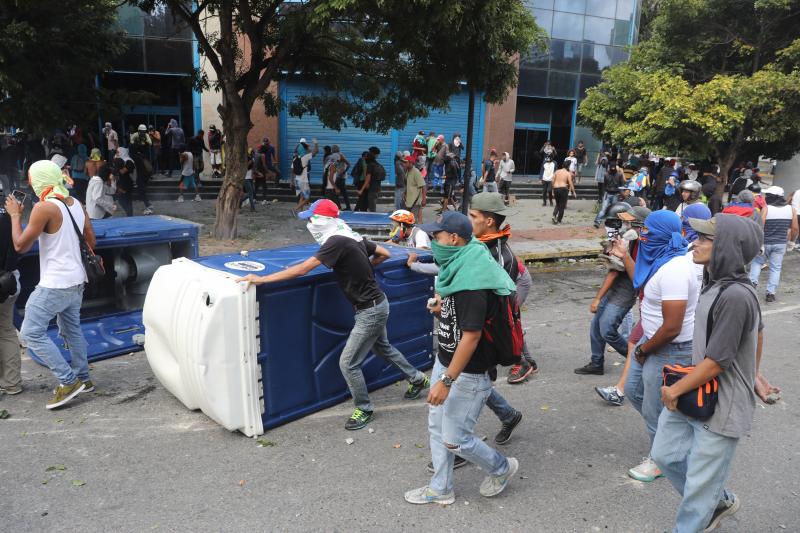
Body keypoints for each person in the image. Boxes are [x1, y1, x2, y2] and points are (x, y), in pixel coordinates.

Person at [237, 199, 430, 430]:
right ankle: (418, 379)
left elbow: (303, 269)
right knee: (383, 348)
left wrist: (261, 279)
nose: (309, 222)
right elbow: (384, 253)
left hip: (370, 310)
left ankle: (364, 409)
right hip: (378, 303)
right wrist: (364, 267)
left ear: (323, 221)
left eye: (311, 218)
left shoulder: (336, 241)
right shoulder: (351, 236)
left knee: (348, 363)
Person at [651, 214, 763, 533]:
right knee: (665, 455)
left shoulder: (737, 295)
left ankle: (701, 510)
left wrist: (673, 391)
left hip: (722, 404)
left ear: (726, 248)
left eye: (704, 239)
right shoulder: (713, 281)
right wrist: (756, 373)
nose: (694, 243)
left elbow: (717, 361)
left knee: (698, 490)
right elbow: (759, 332)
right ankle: (718, 500)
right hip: (697, 388)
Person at [404, 211, 519, 505]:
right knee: (436, 425)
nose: (433, 242)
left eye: (437, 237)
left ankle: (501, 467)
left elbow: (472, 336)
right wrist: (443, 310)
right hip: (446, 356)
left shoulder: (473, 280)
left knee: (456, 439)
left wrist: (445, 380)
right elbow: (463, 319)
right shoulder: (461, 260)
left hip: (467, 371)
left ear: (453, 239)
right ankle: (440, 488)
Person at [609, 210, 698, 482]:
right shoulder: (663, 258)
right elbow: (643, 284)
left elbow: (672, 326)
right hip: (652, 340)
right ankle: (670, 440)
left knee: (654, 406)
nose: (642, 235)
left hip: (666, 346)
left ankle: (661, 457)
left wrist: (644, 349)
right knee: (636, 392)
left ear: (663, 234)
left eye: (647, 231)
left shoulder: (674, 269)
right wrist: (625, 256)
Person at [5, 160, 96, 409]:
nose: (30, 183)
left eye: (32, 178)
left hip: (55, 283)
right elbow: (91, 241)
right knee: (71, 330)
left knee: (31, 333)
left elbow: (20, 246)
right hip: (77, 280)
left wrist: (15, 215)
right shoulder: (75, 203)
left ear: (41, 180)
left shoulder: (43, 208)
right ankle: (84, 378)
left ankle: (68, 382)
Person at [575, 204, 645, 376]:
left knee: (606, 329)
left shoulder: (640, 243)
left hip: (626, 291)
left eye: (629, 223)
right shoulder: (625, 238)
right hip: (617, 287)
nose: (624, 226)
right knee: (596, 326)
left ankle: (636, 358)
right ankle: (596, 362)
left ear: (640, 226)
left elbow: (615, 272)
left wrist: (598, 298)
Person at [594, 205, 651, 406]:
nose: (625, 225)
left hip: (650, 305)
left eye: (629, 222)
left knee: (634, 344)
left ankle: (627, 385)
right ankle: (620, 388)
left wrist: (624, 256)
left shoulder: (647, 245)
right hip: (647, 305)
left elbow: (637, 279)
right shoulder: (631, 239)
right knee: (633, 343)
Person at [749, 186, 798, 302]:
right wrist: (791, 242)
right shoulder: (791, 209)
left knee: (757, 262)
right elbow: (795, 228)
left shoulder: (767, 209)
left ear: (771, 197)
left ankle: (752, 286)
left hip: (765, 242)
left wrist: (759, 241)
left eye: (767, 195)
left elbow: (760, 226)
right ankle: (770, 293)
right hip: (780, 244)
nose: (765, 197)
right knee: (776, 268)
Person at [0, 191, 21, 397]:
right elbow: (18, 247)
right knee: (6, 331)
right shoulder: (10, 212)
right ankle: (12, 383)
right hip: (10, 281)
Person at [130, 126, 155, 215]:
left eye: (144, 132)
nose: (143, 133)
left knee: (141, 189)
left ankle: (149, 206)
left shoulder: (140, 157)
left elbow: (150, 143)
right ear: (139, 131)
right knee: (141, 189)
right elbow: (132, 144)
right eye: (141, 131)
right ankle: (148, 205)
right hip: (142, 172)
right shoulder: (134, 136)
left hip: (142, 173)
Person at [292, 138, 318, 215]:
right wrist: (316, 143)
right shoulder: (305, 157)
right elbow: (315, 152)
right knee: (307, 198)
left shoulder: (295, 158)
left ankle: (301, 213)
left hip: (297, 180)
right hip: (303, 181)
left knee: (302, 197)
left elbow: (293, 170)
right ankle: (294, 209)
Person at [594, 162, 624, 227]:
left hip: (616, 194)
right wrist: (603, 194)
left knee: (614, 209)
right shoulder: (606, 174)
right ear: (609, 167)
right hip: (607, 193)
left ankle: (612, 222)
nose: (612, 168)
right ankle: (597, 222)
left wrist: (622, 193)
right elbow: (604, 185)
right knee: (603, 209)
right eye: (611, 167)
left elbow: (621, 185)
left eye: (614, 167)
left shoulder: (619, 174)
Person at [552, 160, 577, 224]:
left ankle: (554, 215)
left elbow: (553, 181)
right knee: (562, 205)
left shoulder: (557, 171)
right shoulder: (567, 173)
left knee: (557, 204)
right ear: (568, 166)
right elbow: (571, 183)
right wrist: (573, 192)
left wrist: (552, 190)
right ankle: (559, 219)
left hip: (556, 188)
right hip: (563, 189)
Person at [112, 147, 135, 216]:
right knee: (122, 200)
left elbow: (122, 171)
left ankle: (130, 214)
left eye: (118, 152)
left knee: (126, 200)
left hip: (127, 183)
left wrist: (117, 163)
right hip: (121, 183)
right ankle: (129, 214)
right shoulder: (121, 160)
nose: (117, 154)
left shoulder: (129, 161)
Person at [361, 147, 385, 212]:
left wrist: (361, 190)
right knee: (372, 205)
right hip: (376, 187)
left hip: (372, 188)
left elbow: (368, 178)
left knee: (372, 207)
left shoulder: (370, 165)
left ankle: (372, 219)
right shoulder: (376, 164)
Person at [403, 155, 425, 223]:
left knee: (412, 221)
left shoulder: (416, 172)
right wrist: (405, 193)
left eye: (405, 162)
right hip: (409, 201)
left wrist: (424, 199)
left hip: (415, 201)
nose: (403, 164)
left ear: (410, 163)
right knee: (410, 220)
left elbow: (423, 186)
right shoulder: (407, 172)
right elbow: (408, 184)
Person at [329, 146, 351, 211]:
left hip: (341, 177)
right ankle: (347, 207)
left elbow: (349, 164)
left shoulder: (340, 155)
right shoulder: (336, 156)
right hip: (339, 176)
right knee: (343, 193)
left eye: (332, 149)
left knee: (335, 192)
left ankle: (339, 207)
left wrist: (344, 172)